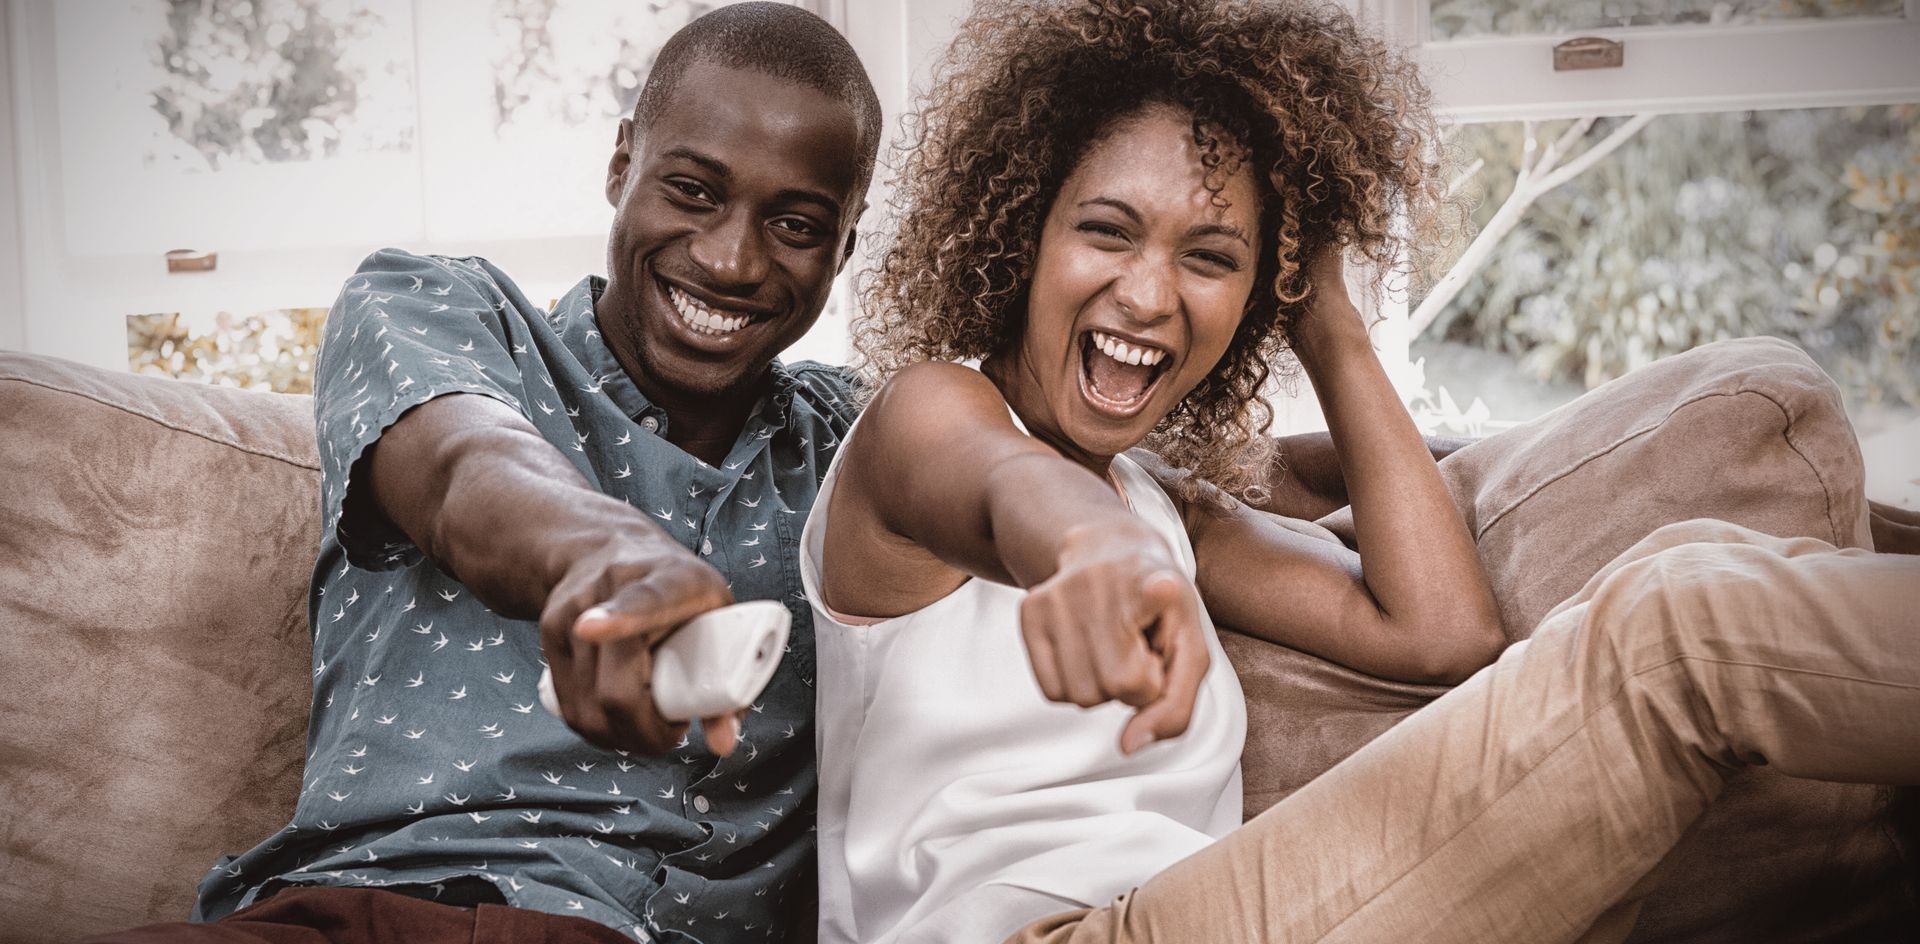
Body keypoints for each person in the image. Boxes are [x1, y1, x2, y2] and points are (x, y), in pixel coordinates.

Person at [804, 2, 1920, 942]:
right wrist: (1086, 550)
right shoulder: (930, 415)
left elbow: (1441, 633)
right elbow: (1005, 488)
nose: (1150, 295)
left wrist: (1328, 320)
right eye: (1107, 230)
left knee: (1690, 572)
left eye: (1212, 257)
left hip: (1178, 909)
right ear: (1021, 236)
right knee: (1680, 634)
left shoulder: (1167, 511)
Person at [91, 4, 882, 942]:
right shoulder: (441, 308)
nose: (730, 258)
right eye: (694, 191)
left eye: (795, 223)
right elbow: (469, 468)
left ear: (848, 241)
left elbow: (1009, 443)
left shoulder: (857, 444)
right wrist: (608, 557)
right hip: (383, 912)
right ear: (621, 162)